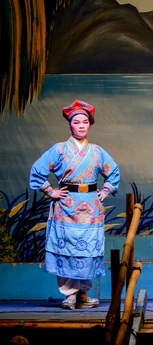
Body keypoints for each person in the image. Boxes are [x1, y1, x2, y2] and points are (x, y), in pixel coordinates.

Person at [29, 100, 120, 310]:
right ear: (69, 125)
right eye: (76, 122)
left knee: (88, 249)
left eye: (85, 122)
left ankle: (84, 293)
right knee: (66, 248)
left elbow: (113, 172)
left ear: (90, 125)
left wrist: (105, 190)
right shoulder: (59, 150)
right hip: (66, 205)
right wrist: (50, 191)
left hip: (91, 207)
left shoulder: (97, 152)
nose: (81, 125)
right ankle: (69, 294)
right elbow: (37, 170)